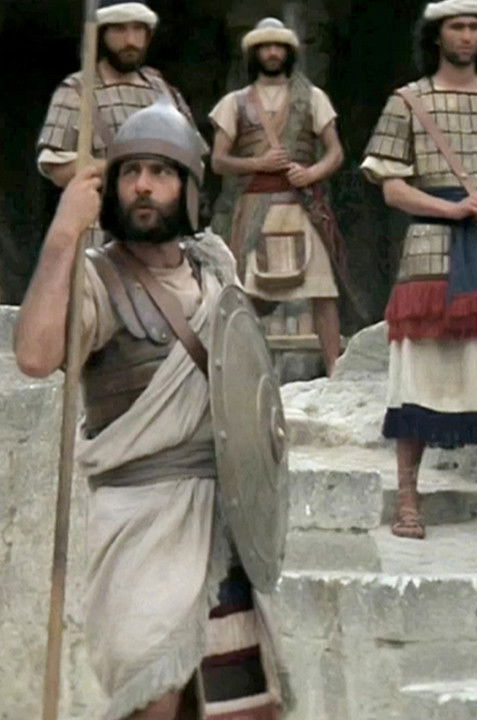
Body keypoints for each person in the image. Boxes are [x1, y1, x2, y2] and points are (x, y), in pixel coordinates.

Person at [14, 101, 280, 720]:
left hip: (226, 522)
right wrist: (63, 235)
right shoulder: (97, 280)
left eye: (161, 172)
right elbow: (34, 355)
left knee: (240, 707)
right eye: (131, 172)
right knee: (152, 700)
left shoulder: (215, 271)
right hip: (142, 525)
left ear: (188, 187)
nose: (142, 186)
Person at [362, 0, 477, 538]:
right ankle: (409, 503)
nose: (466, 36)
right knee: (419, 374)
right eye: (456, 27)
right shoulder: (408, 102)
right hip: (431, 249)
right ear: (436, 35)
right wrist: (452, 209)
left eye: (474, 28)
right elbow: (393, 189)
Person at [209, 17, 347, 375]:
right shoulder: (234, 103)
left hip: (302, 206)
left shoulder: (313, 98)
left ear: (288, 52)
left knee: (323, 290)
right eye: (265, 47)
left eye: (278, 47)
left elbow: (335, 152)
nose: (272, 53)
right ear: (254, 54)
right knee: (245, 293)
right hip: (256, 207)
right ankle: (239, 368)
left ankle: (335, 368)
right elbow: (219, 161)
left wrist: (312, 173)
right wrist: (259, 163)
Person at [36, 0, 202, 189]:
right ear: (101, 34)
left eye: (138, 29)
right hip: (103, 204)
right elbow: (56, 169)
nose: (130, 41)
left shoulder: (163, 89)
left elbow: (195, 157)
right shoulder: (77, 90)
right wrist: (120, 169)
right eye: (119, 29)